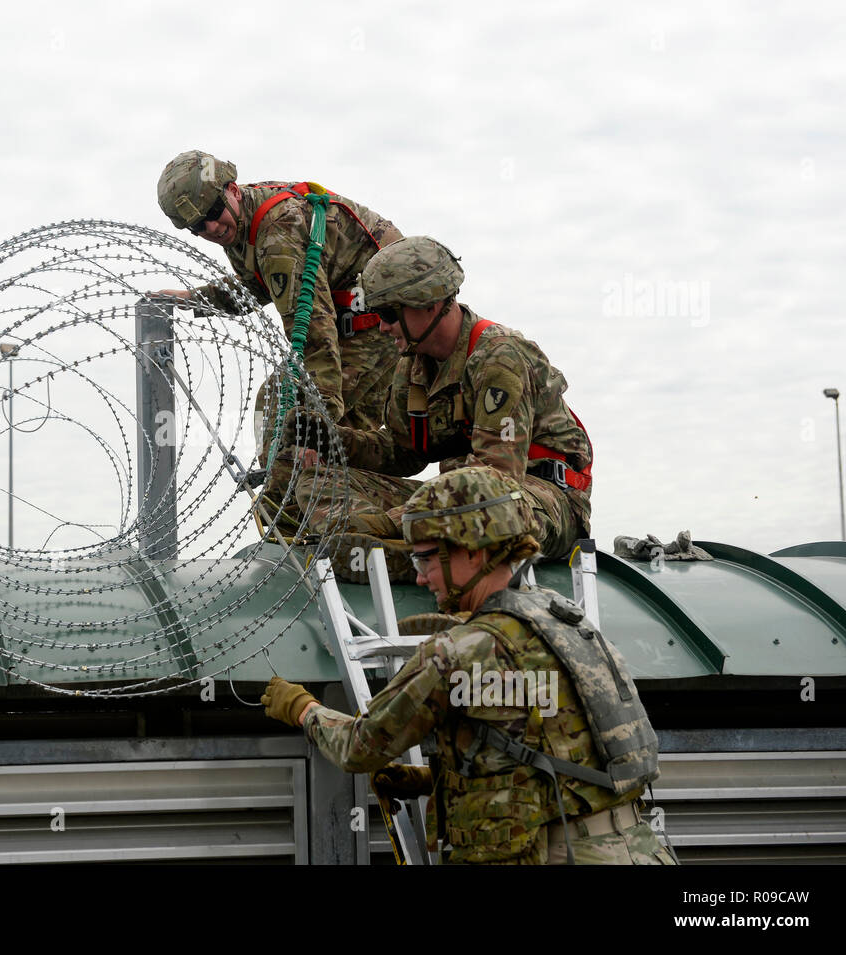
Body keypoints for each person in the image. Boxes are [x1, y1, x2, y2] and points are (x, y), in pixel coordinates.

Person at [262, 466, 675, 865]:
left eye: (425, 560)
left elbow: (360, 746)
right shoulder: (564, 618)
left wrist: (302, 708)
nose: (421, 577)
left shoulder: (462, 650)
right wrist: (436, 781)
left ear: (474, 553)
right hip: (637, 848)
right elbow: (554, 749)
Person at [295, 234, 593, 575]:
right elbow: (402, 451)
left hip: (535, 501)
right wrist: (333, 441)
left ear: (428, 303)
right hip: (449, 499)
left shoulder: (500, 357)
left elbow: (493, 480)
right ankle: (390, 548)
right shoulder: (412, 365)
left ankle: (397, 555)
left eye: (389, 313)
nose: (382, 326)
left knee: (480, 508)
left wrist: (393, 521)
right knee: (315, 481)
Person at [154, 150, 402, 441]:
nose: (211, 228)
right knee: (330, 442)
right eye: (197, 226)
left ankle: (282, 482)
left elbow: (309, 323)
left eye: (212, 213)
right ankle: (297, 478)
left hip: (386, 321)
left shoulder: (276, 232)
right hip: (360, 323)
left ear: (233, 190)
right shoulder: (241, 220)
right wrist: (195, 298)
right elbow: (253, 286)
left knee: (285, 409)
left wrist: (320, 407)